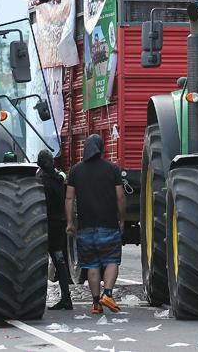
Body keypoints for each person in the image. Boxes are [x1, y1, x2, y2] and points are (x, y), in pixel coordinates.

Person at [66, 134, 125, 315]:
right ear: (102, 148)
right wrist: (122, 219)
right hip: (108, 225)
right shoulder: (112, 169)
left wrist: (69, 222)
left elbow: (69, 198)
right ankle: (107, 294)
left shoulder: (75, 171)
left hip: (85, 227)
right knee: (111, 260)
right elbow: (120, 196)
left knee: (91, 264)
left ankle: (95, 303)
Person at [37, 149, 73, 310]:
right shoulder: (60, 178)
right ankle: (66, 297)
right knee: (60, 260)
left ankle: (39, 298)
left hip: (46, 224)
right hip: (60, 223)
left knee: (41, 261)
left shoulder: (42, 181)